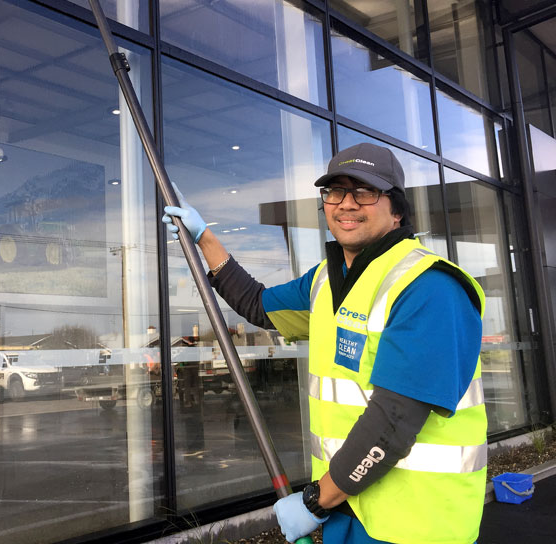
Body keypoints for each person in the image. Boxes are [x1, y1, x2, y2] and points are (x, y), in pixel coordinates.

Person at [162, 142, 487, 544]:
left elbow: (394, 420)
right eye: (335, 191)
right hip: (351, 513)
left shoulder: (430, 287)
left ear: (397, 209)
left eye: (364, 191)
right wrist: (202, 236)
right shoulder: (326, 281)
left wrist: (316, 501)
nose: (346, 204)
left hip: (417, 523)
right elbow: (258, 304)